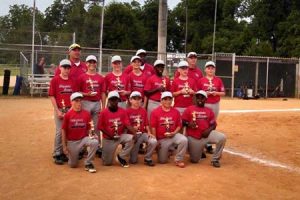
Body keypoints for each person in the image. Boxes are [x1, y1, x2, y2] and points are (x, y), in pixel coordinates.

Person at [182, 90, 226, 168]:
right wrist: (189, 124)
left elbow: (214, 125)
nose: (200, 100)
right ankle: (199, 151)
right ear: (195, 99)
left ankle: (215, 159)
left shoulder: (209, 111)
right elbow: (182, 122)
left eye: (202, 98)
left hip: (206, 135)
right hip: (194, 137)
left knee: (222, 137)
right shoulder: (189, 109)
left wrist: (208, 131)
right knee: (194, 161)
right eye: (198, 98)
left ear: (206, 99)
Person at [61, 92, 99, 173]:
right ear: (71, 102)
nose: (79, 103)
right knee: (73, 165)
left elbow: (89, 128)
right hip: (72, 142)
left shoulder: (86, 113)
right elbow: (63, 130)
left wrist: (93, 134)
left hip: (83, 139)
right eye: (76, 101)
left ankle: (88, 163)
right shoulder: (67, 115)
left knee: (95, 142)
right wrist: (64, 146)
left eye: (80, 101)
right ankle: (72, 155)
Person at [98, 91, 136, 167]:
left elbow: (127, 124)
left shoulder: (122, 111)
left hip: (119, 136)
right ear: (108, 100)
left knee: (132, 138)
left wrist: (134, 133)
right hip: (109, 139)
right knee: (107, 163)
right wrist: (110, 135)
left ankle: (121, 156)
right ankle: (104, 152)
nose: (114, 102)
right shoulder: (104, 112)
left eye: (115, 99)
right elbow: (100, 127)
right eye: (112, 99)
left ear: (118, 100)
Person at [49, 59, 76, 165]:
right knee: (60, 131)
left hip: (70, 109)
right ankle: (57, 153)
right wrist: (57, 111)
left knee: (68, 131)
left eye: (68, 68)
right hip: (60, 109)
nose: (66, 69)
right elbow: (52, 96)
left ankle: (65, 152)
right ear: (60, 68)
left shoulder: (72, 81)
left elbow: (74, 97)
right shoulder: (55, 80)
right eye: (64, 67)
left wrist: (72, 110)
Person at [77, 55, 106, 156]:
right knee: (84, 125)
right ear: (86, 64)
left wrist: (103, 107)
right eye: (90, 62)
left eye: (94, 62)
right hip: (85, 102)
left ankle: (97, 146)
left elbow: (103, 93)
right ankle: (83, 147)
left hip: (96, 103)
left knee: (96, 126)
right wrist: (86, 94)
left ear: (96, 64)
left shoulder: (100, 78)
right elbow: (78, 92)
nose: (92, 64)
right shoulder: (82, 77)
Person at [150, 91, 188, 168]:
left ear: (172, 100)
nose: (168, 101)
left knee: (184, 139)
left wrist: (174, 133)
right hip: (162, 139)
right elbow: (153, 127)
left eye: (169, 99)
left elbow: (179, 125)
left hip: (173, 135)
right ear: (161, 101)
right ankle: (168, 150)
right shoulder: (155, 112)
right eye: (165, 99)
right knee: (162, 161)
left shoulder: (176, 111)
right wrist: (156, 141)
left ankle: (178, 159)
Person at [126, 91, 157, 166]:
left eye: (139, 99)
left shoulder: (143, 110)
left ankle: (148, 158)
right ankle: (130, 153)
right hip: (133, 136)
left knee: (153, 141)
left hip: (142, 134)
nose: (137, 101)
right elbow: (126, 125)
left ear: (141, 100)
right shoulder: (127, 111)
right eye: (135, 99)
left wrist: (149, 132)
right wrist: (133, 129)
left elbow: (146, 124)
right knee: (133, 161)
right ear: (130, 100)